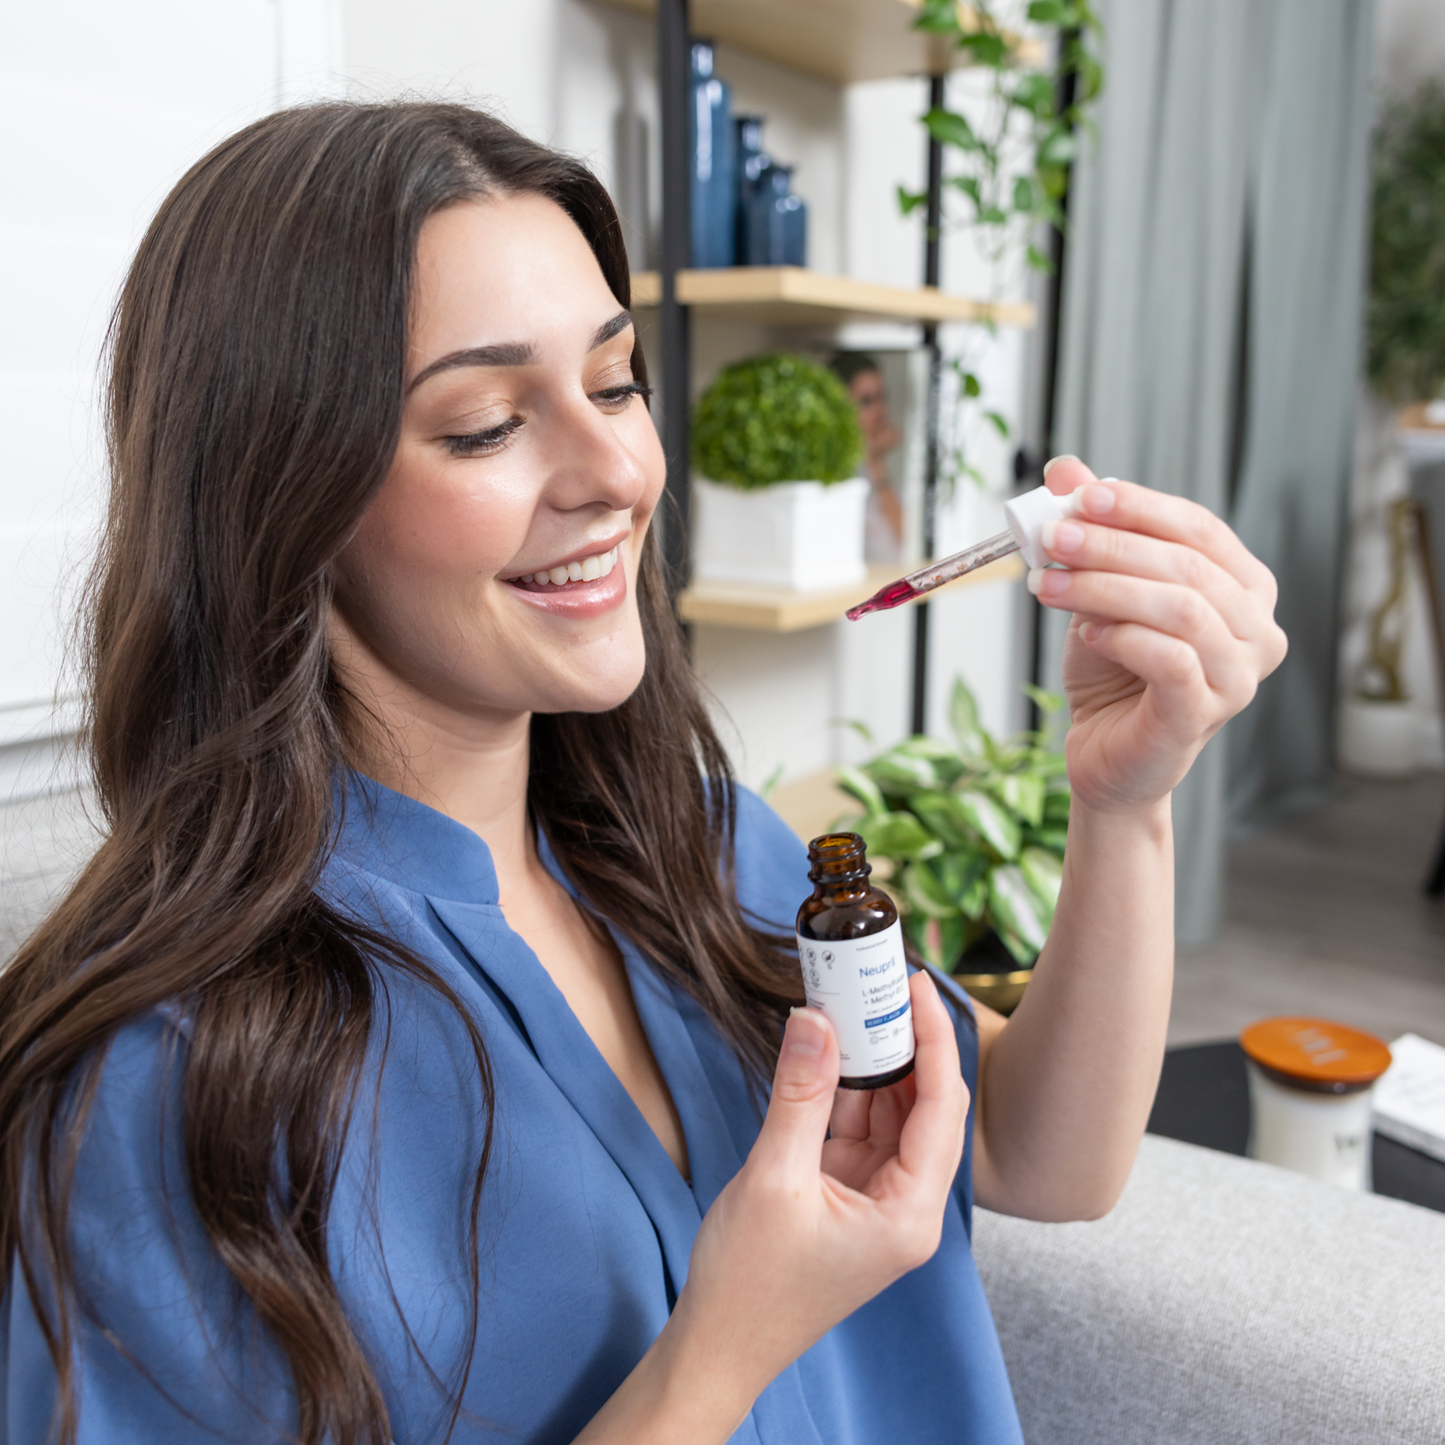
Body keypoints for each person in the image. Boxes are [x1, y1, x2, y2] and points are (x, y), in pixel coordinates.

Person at [0, 103, 1286, 1445]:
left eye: (615, 382)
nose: (620, 469)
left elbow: (1042, 1154)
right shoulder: (146, 1103)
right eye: (488, 422)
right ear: (278, 498)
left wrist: (1126, 800)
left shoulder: (705, 846)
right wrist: (720, 1348)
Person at [831, 351, 905, 563]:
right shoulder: (832, 472)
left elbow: (902, 537)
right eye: (866, 401)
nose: (880, 410)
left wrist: (875, 460)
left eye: (882, 398)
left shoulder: (873, 465)